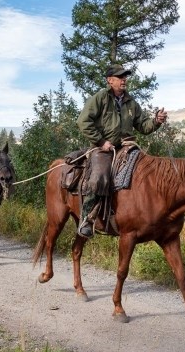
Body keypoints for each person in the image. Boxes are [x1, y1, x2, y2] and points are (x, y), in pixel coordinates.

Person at [76, 63, 168, 238]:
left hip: (127, 147)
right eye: (120, 77)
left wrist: (156, 121)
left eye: (125, 76)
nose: (124, 79)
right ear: (110, 80)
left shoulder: (131, 102)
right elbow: (83, 122)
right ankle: (87, 219)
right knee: (99, 177)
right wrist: (101, 141)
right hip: (103, 148)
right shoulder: (100, 98)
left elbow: (143, 126)